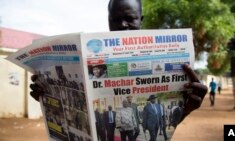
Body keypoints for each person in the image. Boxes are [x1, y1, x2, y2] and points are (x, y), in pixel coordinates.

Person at [30, 0, 208, 136]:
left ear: (141, 20)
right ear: (108, 20)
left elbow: (160, 121)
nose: (122, 25)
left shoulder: (164, 58)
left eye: (130, 19)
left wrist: (186, 109)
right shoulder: (91, 57)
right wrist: (50, 98)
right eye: (115, 20)